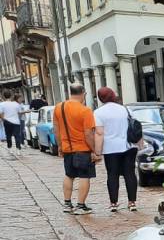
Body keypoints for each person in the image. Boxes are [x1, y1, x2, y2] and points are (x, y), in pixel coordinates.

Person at [54, 83, 99, 215]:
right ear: (83, 94)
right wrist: (94, 150)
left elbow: (56, 130)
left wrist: (61, 147)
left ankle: (67, 204)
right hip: (82, 149)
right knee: (84, 176)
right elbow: (88, 134)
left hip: (67, 148)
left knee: (69, 175)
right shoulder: (85, 110)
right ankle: (81, 205)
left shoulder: (59, 107)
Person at [94, 87, 140, 213]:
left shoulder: (98, 112)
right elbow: (136, 126)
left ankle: (113, 203)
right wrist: (140, 144)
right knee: (130, 174)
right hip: (129, 146)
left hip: (110, 148)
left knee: (112, 175)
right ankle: (132, 202)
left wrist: (97, 151)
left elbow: (99, 133)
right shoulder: (125, 109)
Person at [0, 90, 26, 159]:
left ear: (3, 96)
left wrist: (3, 120)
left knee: (8, 136)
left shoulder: (2, 104)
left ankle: (10, 148)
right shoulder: (16, 104)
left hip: (7, 122)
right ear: (11, 96)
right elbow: (20, 112)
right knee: (17, 136)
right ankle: (18, 150)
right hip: (16, 122)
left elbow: (1, 114)